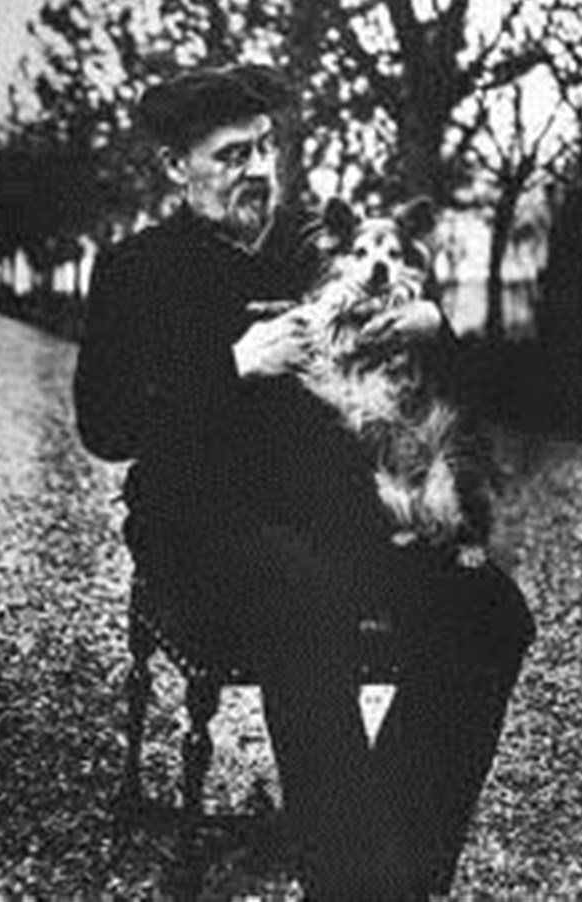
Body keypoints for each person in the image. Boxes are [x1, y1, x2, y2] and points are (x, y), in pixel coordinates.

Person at [73, 64, 535, 899]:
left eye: (265, 149)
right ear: (176, 166)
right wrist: (233, 364)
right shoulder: (135, 270)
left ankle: (393, 868)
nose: (258, 169)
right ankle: (354, 880)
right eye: (231, 155)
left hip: (335, 514)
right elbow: (104, 427)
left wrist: (432, 324)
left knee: (490, 611)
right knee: (305, 596)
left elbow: (441, 381)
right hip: (199, 524)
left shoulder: (313, 250)